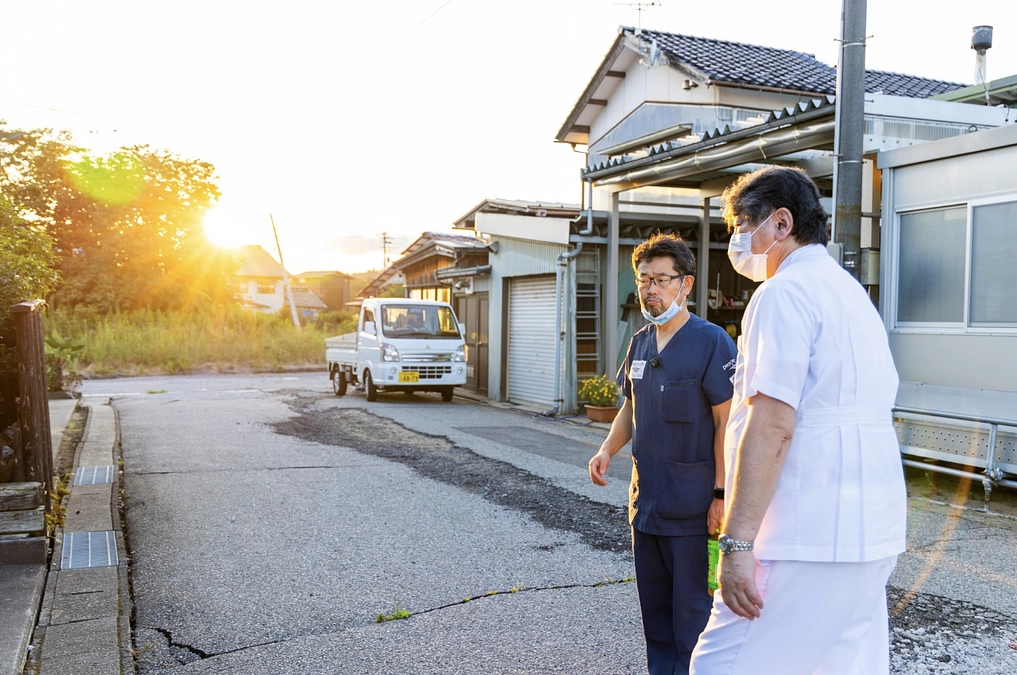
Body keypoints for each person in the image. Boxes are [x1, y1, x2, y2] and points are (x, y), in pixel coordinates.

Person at [690, 166, 907, 675]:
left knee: (721, 665)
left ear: (781, 223)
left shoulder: (783, 293)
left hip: (805, 533)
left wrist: (737, 544)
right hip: (868, 530)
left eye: (742, 225)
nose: (737, 240)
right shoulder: (850, 293)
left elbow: (771, 426)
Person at [589, 233, 736, 675]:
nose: (651, 289)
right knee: (655, 618)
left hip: (693, 510)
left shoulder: (711, 342)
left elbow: (728, 424)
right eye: (644, 279)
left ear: (685, 284)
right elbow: (631, 406)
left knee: (693, 618)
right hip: (647, 507)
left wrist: (721, 495)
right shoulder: (639, 343)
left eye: (661, 279)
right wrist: (606, 449)